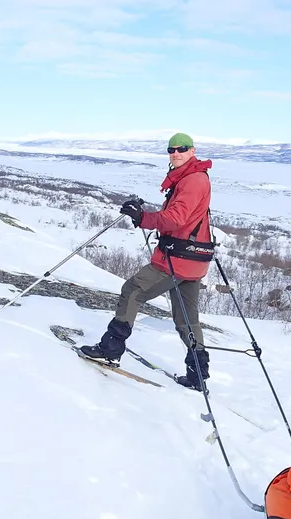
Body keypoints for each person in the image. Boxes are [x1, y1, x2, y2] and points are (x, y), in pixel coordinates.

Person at [81, 132, 215, 391]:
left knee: (132, 290)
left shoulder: (193, 180)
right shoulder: (192, 177)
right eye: (171, 149)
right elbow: (181, 217)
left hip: (177, 259)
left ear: (192, 150)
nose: (175, 153)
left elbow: (175, 219)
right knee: (187, 318)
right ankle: (198, 372)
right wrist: (145, 214)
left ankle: (111, 348)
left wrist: (143, 218)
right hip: (194, 259)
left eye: (182, 148)